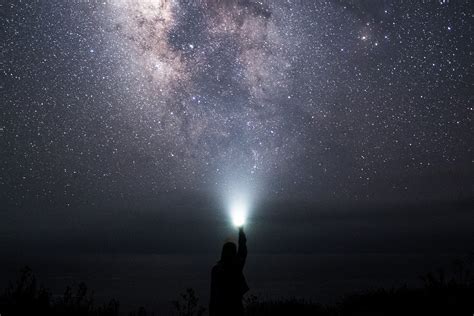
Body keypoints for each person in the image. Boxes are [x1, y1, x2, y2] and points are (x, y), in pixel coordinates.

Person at [209, 226, 249, 316]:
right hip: (235, 308)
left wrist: (211, 311)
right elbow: (242, 251)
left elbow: (213, 294)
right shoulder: (235, 268)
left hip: (219, 309)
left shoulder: (216, 270)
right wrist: (241, 232)